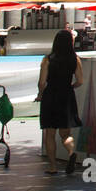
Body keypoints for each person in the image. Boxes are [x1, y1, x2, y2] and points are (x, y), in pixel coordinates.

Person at [38, 30, 84, 175]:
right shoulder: (75, 59)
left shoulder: (48, 60)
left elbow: (42, 82)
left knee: (50, 134)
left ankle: (52, 167)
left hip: (51, 95)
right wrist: (71, 87)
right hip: (67, 96)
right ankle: (71, 152)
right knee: (65, 134)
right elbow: (80, 81)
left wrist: (40, 94)